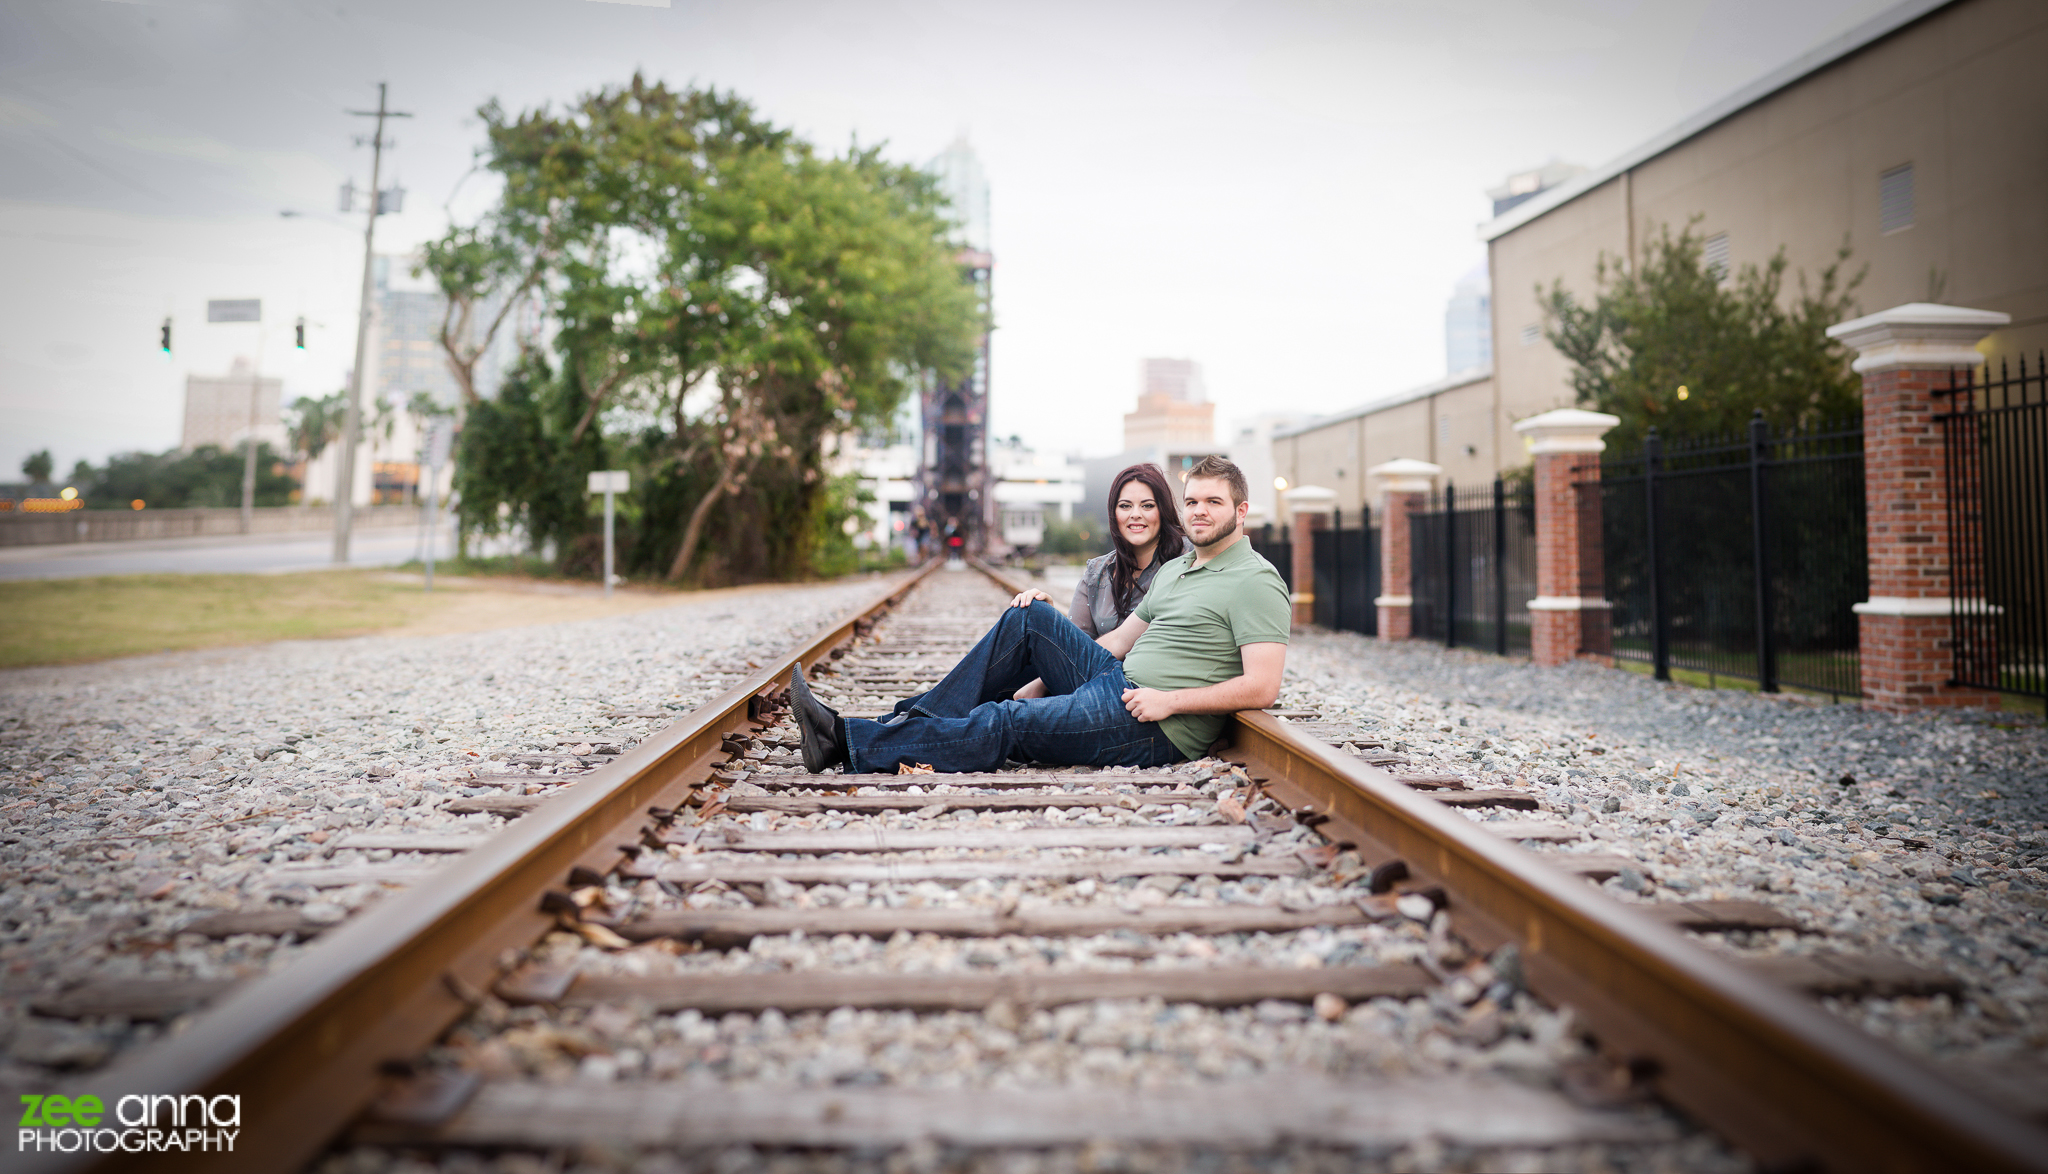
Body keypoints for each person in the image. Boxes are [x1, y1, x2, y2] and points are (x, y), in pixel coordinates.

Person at [789, 455, 1290, 774]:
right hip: (1116, 681)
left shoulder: (1256, 580)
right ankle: (908, 721)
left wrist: (1171, 702)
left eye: (1214, 502)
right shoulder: (1179, 569)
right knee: (1029, 616)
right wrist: (1052, 665)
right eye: (1194, 501)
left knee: (1006, 719)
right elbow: (1114, 645)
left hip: (1152, 725)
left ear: (1241, 512)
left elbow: (1263, 687)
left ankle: (848, 741)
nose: (1200, 511)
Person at [1009, 462, 1188, 701]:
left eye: (1147, 505)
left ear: (1163, 510)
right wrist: (1051, 619)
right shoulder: (1099, 571)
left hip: (1127, 692)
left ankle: (947, 717)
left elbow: (1122, 644)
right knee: (1029, 612)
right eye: (1125, 506)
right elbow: (1074, 647)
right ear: (1114, 514)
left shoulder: (1185, 563)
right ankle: (946, 714)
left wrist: (1041, 683)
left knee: (1031, 626)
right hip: (1086, 678)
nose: (1136, 514)